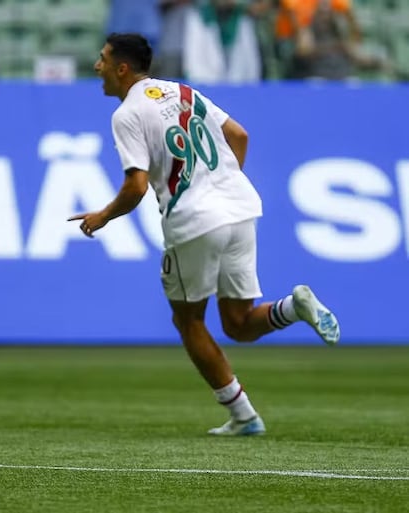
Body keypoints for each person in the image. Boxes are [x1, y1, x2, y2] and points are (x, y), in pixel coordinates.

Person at [69, 33, 340, 436]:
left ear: (122, 68)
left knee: (188, 320)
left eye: (103, 59)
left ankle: (245, 416)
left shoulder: (126, 114)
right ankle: (293, 307)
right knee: (238, 323)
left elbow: (136, 186)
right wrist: (224, 182)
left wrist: (103, 216)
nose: (97, 67)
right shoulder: (183, 92)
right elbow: (240, 135)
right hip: (241, 208)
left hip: (195, 221)